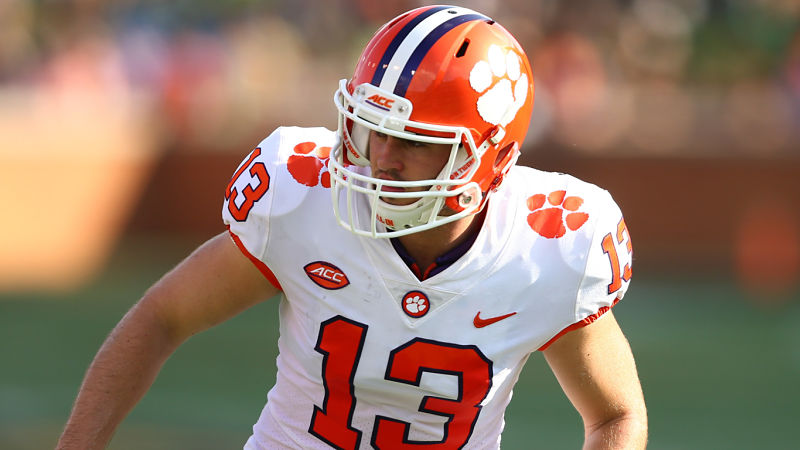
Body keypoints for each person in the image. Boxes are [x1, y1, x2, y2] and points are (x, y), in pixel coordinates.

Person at [58, 5, 647, 449]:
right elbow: (163, 316)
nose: (381, 158)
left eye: (414, 142)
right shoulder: (302, 198)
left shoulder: (553, 246)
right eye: (371, 129)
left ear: (487, 159)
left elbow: (615, 414)